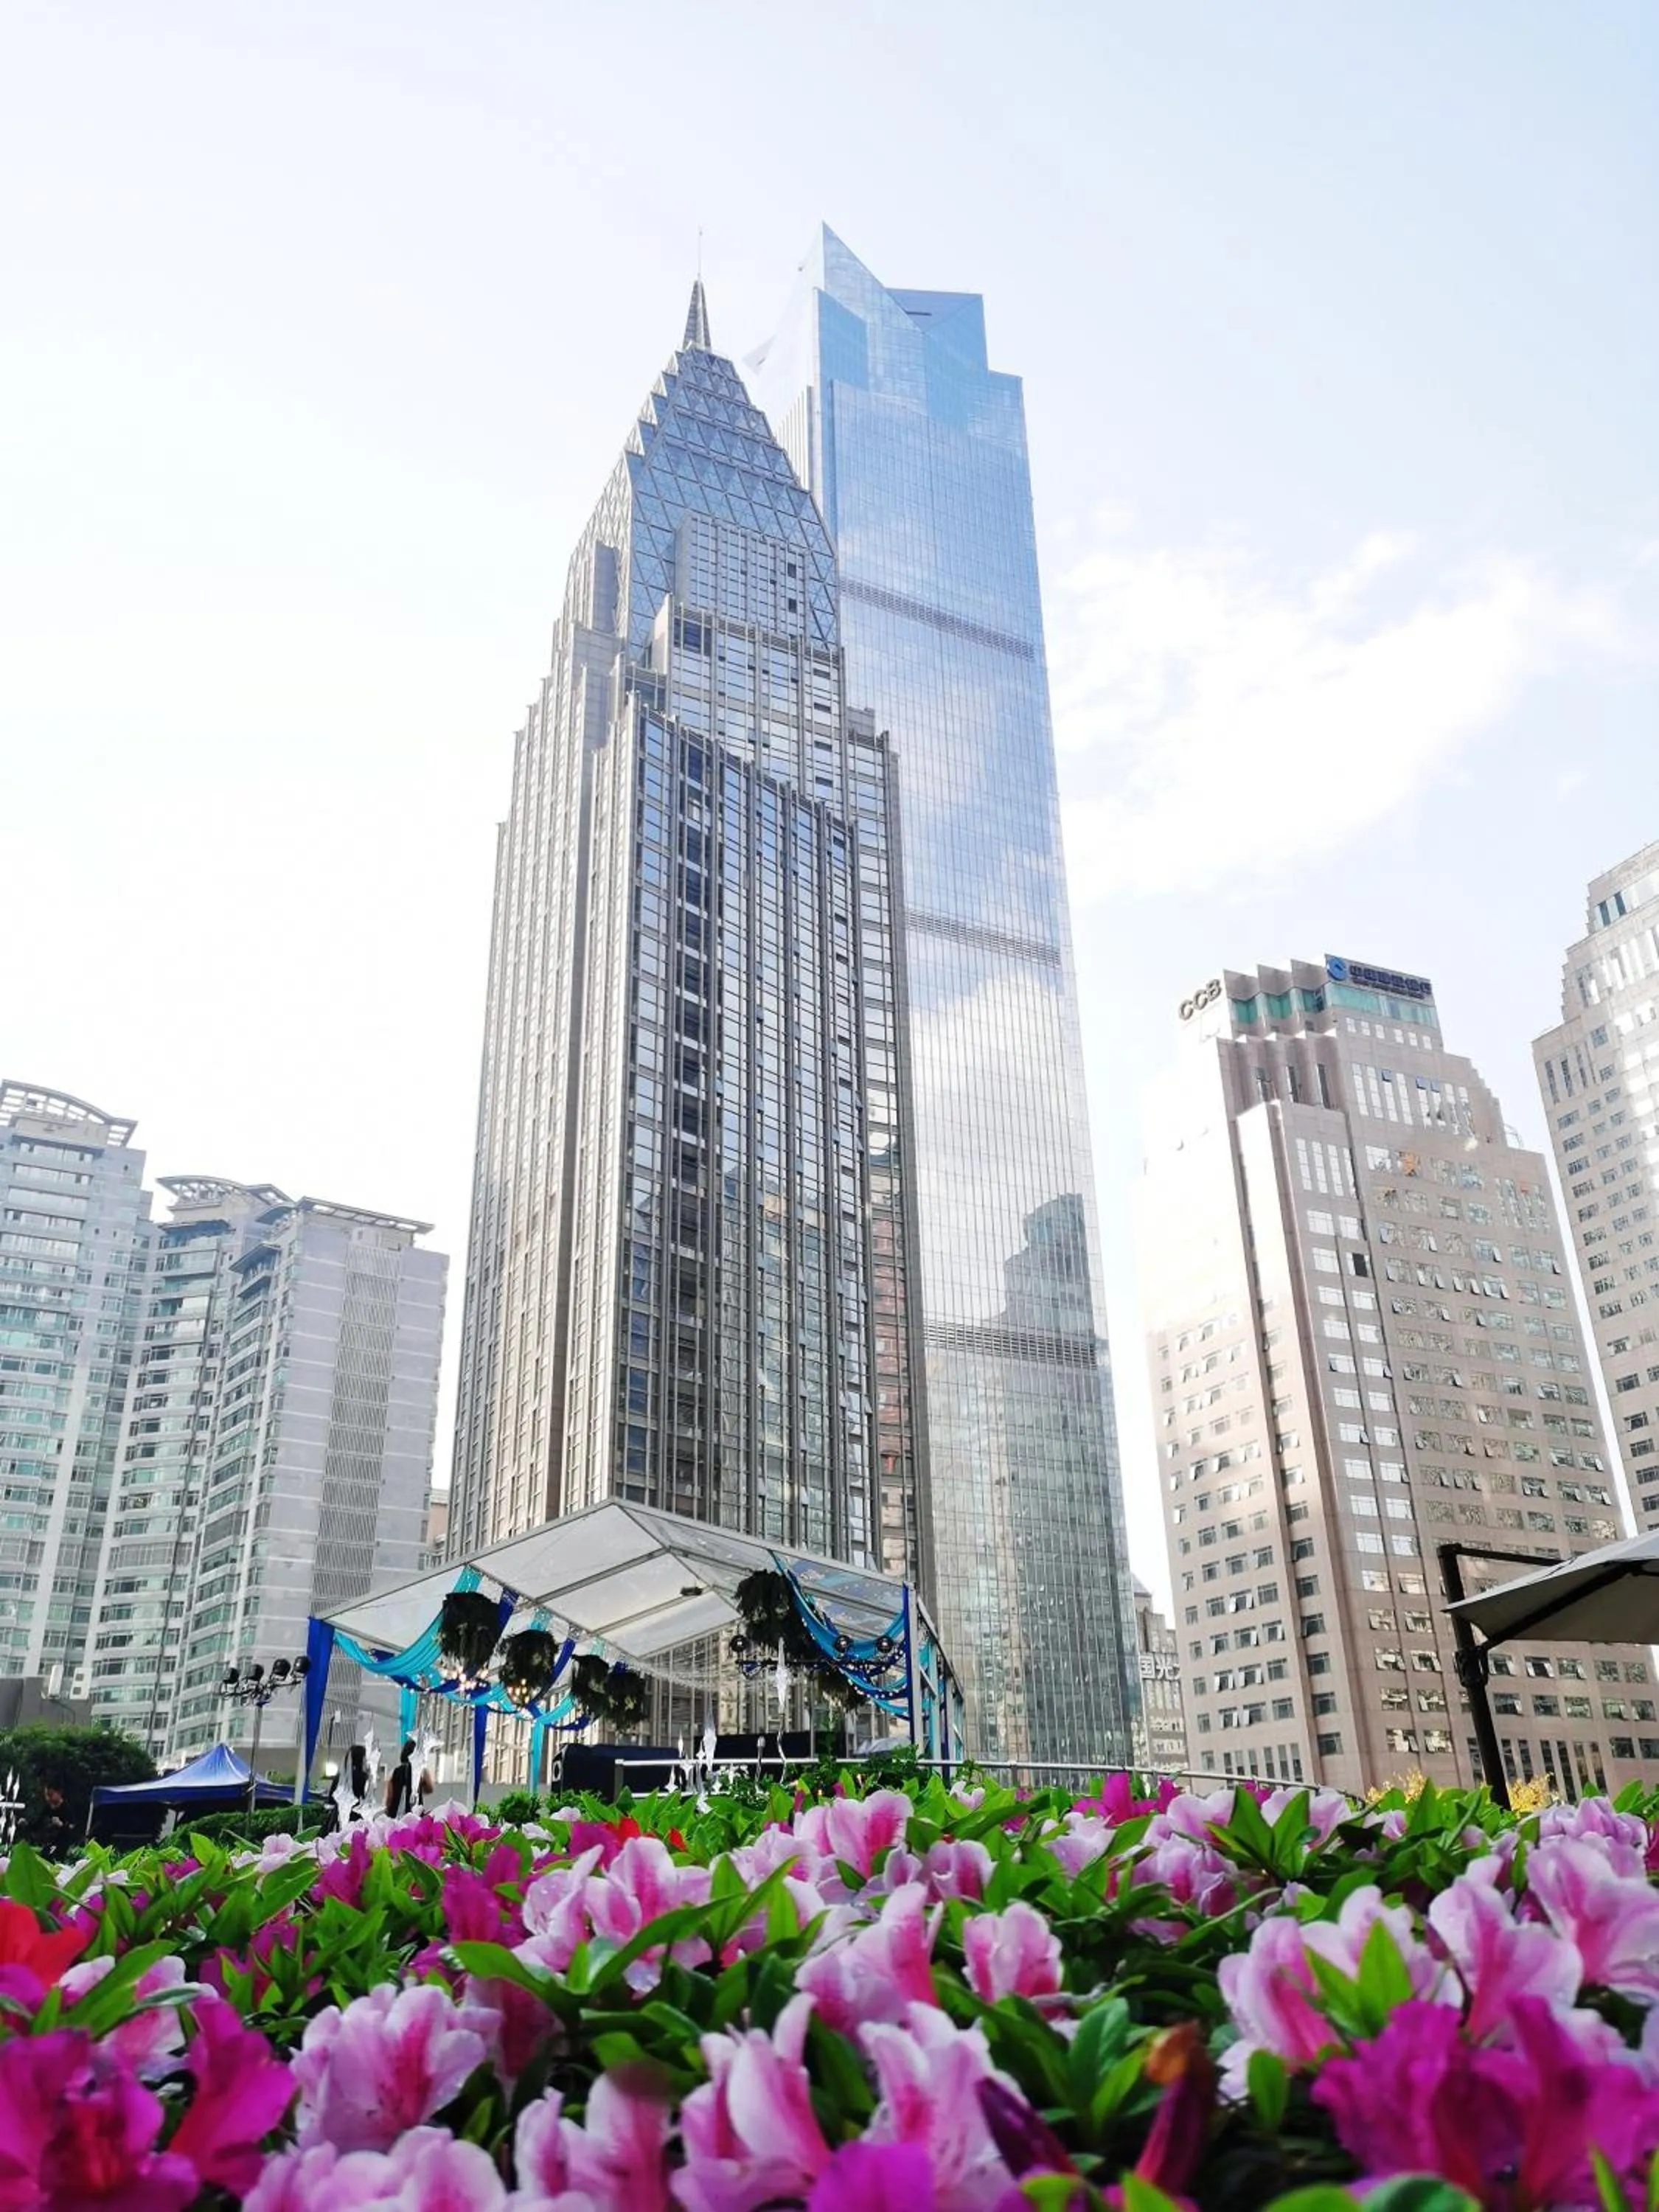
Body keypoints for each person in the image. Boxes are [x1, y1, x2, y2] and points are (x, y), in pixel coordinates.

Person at [21, 1781, 72, 1858]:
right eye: (47, 1795)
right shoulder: (47, 1808)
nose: (48, 1799)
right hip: (50, 1843)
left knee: (51, 1855)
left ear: (59, 1793)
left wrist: (61, 1825)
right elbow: (37, 1824)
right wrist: (26, 1824)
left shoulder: (66, 1808)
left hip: (62, 1844)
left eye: (51, 1795)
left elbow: (72, 1828)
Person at [384, 1737, 432, 1818]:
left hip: (396, 1814)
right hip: (415, 1813)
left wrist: (387, 1810)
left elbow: (389, 1797)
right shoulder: (421, 1772)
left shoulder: (394, 1771)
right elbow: (429, 1788)